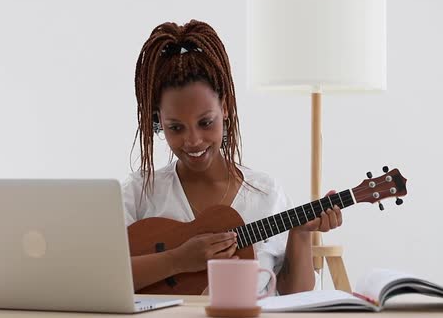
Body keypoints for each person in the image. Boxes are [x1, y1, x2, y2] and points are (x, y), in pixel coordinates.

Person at [122, 20, 343, 295]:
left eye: (205, 123)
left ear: (224, 109)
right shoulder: (139, 192)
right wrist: (176, 260)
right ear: (159, 122)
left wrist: (300, 234)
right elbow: (100, 276)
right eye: (176, 128)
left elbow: (293, 298)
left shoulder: (266, 193)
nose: (193, 141)